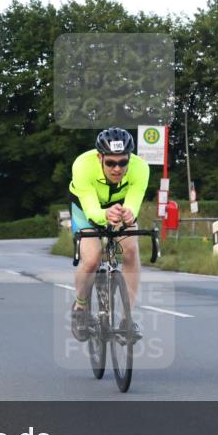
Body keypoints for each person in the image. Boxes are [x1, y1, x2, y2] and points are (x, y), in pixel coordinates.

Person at [68, 127, 149, 341]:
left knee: (131, 250)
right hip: (86, 209)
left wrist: (129, 214)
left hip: (119, 208)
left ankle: (126, 320)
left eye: (123, 162)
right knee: (92, 258)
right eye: (111, 163)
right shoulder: (83, 165)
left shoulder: (141, 168)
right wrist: (105, 214)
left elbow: (133, 202)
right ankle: (80, 308)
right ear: (99, 157)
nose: (117, 169)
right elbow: (92, 210)